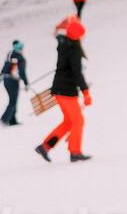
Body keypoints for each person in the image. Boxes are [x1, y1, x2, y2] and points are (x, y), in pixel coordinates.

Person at [35, 16, 92, 163]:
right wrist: (86, 93)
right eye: (82, 34)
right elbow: (77, 74)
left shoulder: (63, 42)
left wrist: (68, 22)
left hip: (59, 89)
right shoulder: (74, 50)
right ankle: (75, 152)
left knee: (69, 122)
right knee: (78, 121)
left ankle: (45, 146)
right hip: (66, 91)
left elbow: (64, 29)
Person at [0, 40, 28, 126]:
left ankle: (12, 120)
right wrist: (26, 83)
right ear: (20, 48)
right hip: (13, 81)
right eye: (21, 47)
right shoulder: (20, 58)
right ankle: (4, 119)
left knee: (13, 100)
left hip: (6, 80)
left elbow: (4, 69)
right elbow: (22, 72)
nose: (22, 49)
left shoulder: (10, 55)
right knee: (13, 101)